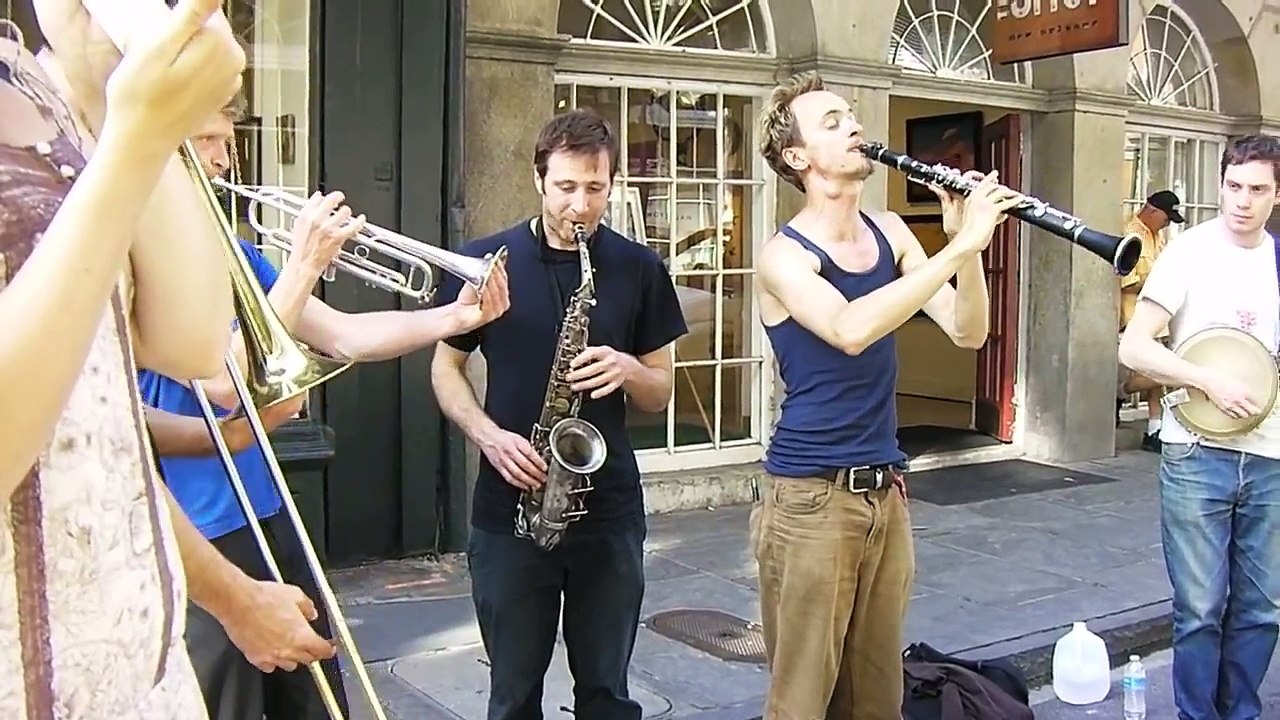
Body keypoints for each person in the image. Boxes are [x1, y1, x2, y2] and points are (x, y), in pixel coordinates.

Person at [1, 0, 338, 716]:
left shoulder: (31, 86)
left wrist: (105, 89)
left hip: (138, 667)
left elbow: (189, 337)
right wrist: (134, 137)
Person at [136, 96, 510, 718]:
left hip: (263, 504)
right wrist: (305, 263)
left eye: (226, 143)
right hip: (199, 527)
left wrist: (455, 316)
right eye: (206, 141)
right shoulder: (141, 253)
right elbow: (225, 379)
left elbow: (345, 335)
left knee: (315, 696)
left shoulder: (229, 249)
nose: (224, 162)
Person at [748, 71, 1021, 719]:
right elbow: (850, 328)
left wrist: (968, 248)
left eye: (851, 115)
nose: (854, 127)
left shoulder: (894, 230)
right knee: (802, 702)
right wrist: (959, 246)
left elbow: (968, 329)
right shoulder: (782, 257)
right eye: (833, 121)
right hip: (809, 498)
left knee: (878, 697)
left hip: (884, 490)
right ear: (798, 158)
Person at [430, 108, 687, 720]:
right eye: (566, 187)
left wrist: (629, 369)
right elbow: (445, 370)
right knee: (513, 697)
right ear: (538, 179)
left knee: (606, 696)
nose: (581, 204)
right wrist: (487, 436)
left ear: (612, 184)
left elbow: (660, 391)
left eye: (595, 188)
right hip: (509, 511)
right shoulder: (486, 263)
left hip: (608, 515)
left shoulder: (639, 269)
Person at [1119, 134, 1280, 720]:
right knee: (1201, 608)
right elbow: (1135, 347)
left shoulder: (1277, 260)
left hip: (1271, 456)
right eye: (1233, 186)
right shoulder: (1188, 251)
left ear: (1276, 194)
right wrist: (1207, 381)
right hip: (1196, 454)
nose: (1242, 201)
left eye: (1258, 189)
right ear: (1220, 185)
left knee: (1264, 608)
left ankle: (1240, 712)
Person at [1116, 189, 1183, 447]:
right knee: (1149, 375)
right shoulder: (1132, 234)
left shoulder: (1156, 235)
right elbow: (1127, 281)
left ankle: (1155, 428)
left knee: (1156, 377)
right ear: (1152, 211)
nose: (1167, 224)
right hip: (1135, 318)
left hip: (1159, 318)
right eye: (1166, 218)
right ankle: (1118, 393)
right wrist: (1160, 281)